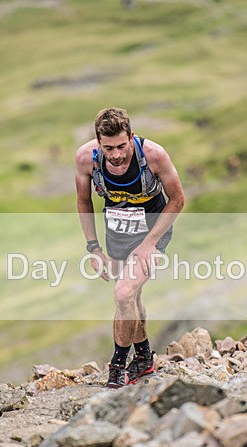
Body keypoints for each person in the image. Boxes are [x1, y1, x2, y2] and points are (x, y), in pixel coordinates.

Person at [75, 108, 185, 388]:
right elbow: (84, 203)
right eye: (108, 147)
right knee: (131, 297)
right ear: (98, 142)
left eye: (121, 146)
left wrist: (149, 244)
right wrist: (94, 249)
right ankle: (145, 357)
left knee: (123, 293)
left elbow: (178, 200)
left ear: (131, 137)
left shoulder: (154, 156)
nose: (115, 155)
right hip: (118, 233)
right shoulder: (86, 159)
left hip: (153, 230)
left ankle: (118, 366)